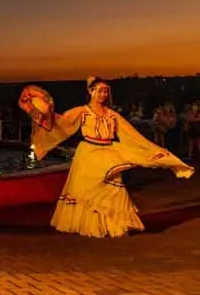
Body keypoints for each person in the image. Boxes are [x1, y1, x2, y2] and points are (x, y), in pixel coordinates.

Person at [19, 77, 194, 238]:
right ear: (91, 91)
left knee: (113, 189)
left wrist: (152, 150)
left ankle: (115, 226)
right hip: (88, 153)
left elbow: (131, 134)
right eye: (100, 90)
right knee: (89, 190)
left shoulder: (112, 115)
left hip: (108, 153)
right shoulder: (82, 112)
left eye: (105, 91)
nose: (103, 94)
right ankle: (91, 226)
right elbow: (60, 123)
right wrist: (42, 111)